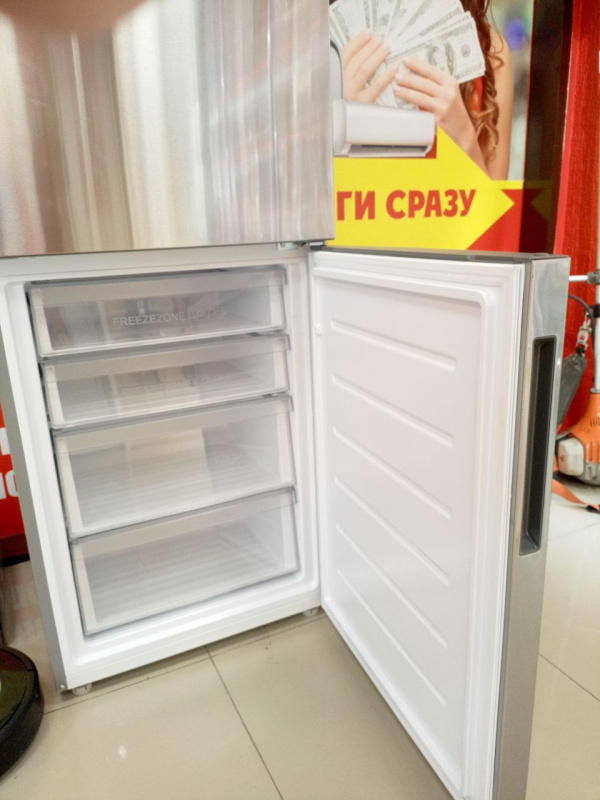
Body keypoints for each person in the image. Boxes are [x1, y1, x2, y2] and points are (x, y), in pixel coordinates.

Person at [338, 1, 513, 179]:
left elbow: (493, 197)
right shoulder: (334, 44)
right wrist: (341, 132)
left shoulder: (490, 52)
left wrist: (464, 138)